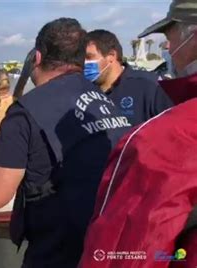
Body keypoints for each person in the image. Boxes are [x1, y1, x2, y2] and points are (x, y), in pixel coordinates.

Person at [0, 18, 132, 267]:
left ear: (37, 58)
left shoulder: (27, 111)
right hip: (109, 242)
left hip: (59, 251)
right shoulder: (103, 101)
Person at [79, 0, 197, 267]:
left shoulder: (155, 137)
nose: (167, 47)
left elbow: (123, 254)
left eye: (170, 36)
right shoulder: (86, 94)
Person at [84, 29, 174, 126]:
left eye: (89, 57)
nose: (83, 63)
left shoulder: (150, 87)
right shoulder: (84, 92)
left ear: (111, 56)